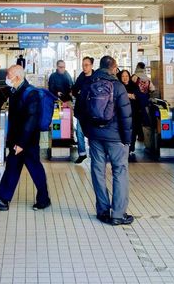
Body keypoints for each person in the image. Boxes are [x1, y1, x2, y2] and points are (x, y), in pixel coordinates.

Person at [77, 56, 133, 226]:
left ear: (99, 67)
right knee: (119, 171)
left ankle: (102, 211)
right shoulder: (118, 87)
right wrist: (127, 140)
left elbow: (79, 111)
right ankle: (117, 214)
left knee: (97, 172)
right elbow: (126, 116)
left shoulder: (88, 85)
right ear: (114, 68)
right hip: (116, 138)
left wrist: (89, 132)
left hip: (95, 137)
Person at [0, 65, 50, 211]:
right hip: (16, 140)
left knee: (35, 169)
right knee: (12, 167)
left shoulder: (30, 93)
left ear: (18, 77)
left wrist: (21, 143)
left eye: (9, 75)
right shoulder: (15, 91)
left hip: (27, 142)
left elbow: (31, 120)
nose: (7, 78)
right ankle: (2, 199)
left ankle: (44, 198)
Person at [71, 56, 95, 164]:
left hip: (92, 111)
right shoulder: (81, 77)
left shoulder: (96, 77)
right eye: (83, 65)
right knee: (79, 132)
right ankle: (82, 153)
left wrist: (82, 92)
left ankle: (93, 153)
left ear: (91, 65)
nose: (84, 67)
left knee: (92, 132)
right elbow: (74, 90)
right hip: (81, 110)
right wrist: (79, 92)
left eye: (86, 65)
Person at [122, 69, 145, 162]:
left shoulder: (134, 85)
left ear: (129, 77)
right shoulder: (119, 86)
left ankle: (131, 147)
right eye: (123, 76)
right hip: (122, 112)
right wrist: (129, 95)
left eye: (126, 76)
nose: (124, 78)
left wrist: (127, 95)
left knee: (133, 130)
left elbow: (137, 96)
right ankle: (125, 147)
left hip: (133, 112)